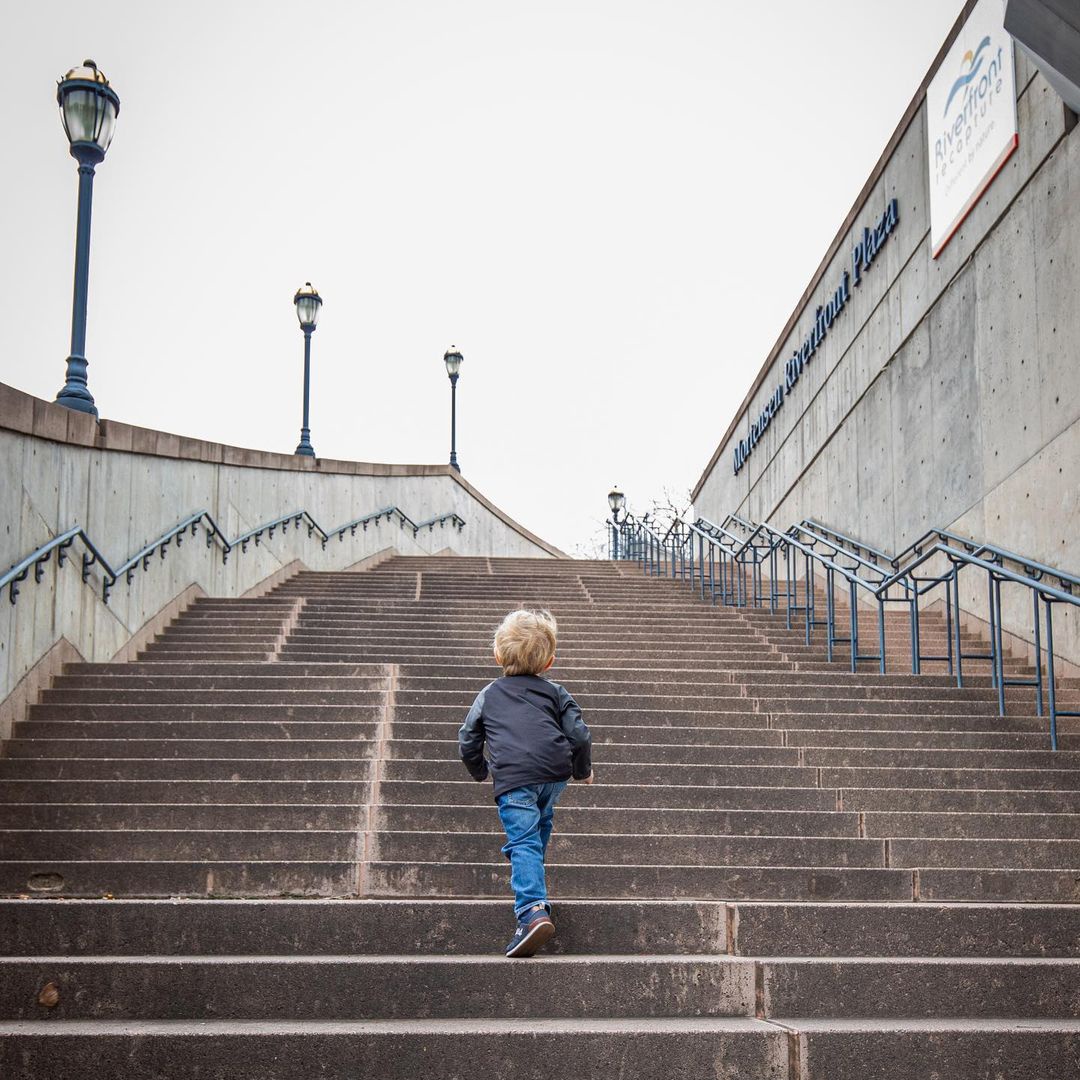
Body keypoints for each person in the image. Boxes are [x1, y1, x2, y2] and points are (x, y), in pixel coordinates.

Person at [458, 608, 593, 958]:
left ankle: (532, 910)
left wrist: (479, 770)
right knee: (538, 828)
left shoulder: (489, 694)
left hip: (515, 777)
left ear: (497, 655)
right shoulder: (556, 692)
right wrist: (581, 771)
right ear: (549, 662)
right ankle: (534, 884)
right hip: (553, 775)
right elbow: (579, 735)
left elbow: (468, 738)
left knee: (523, 840)